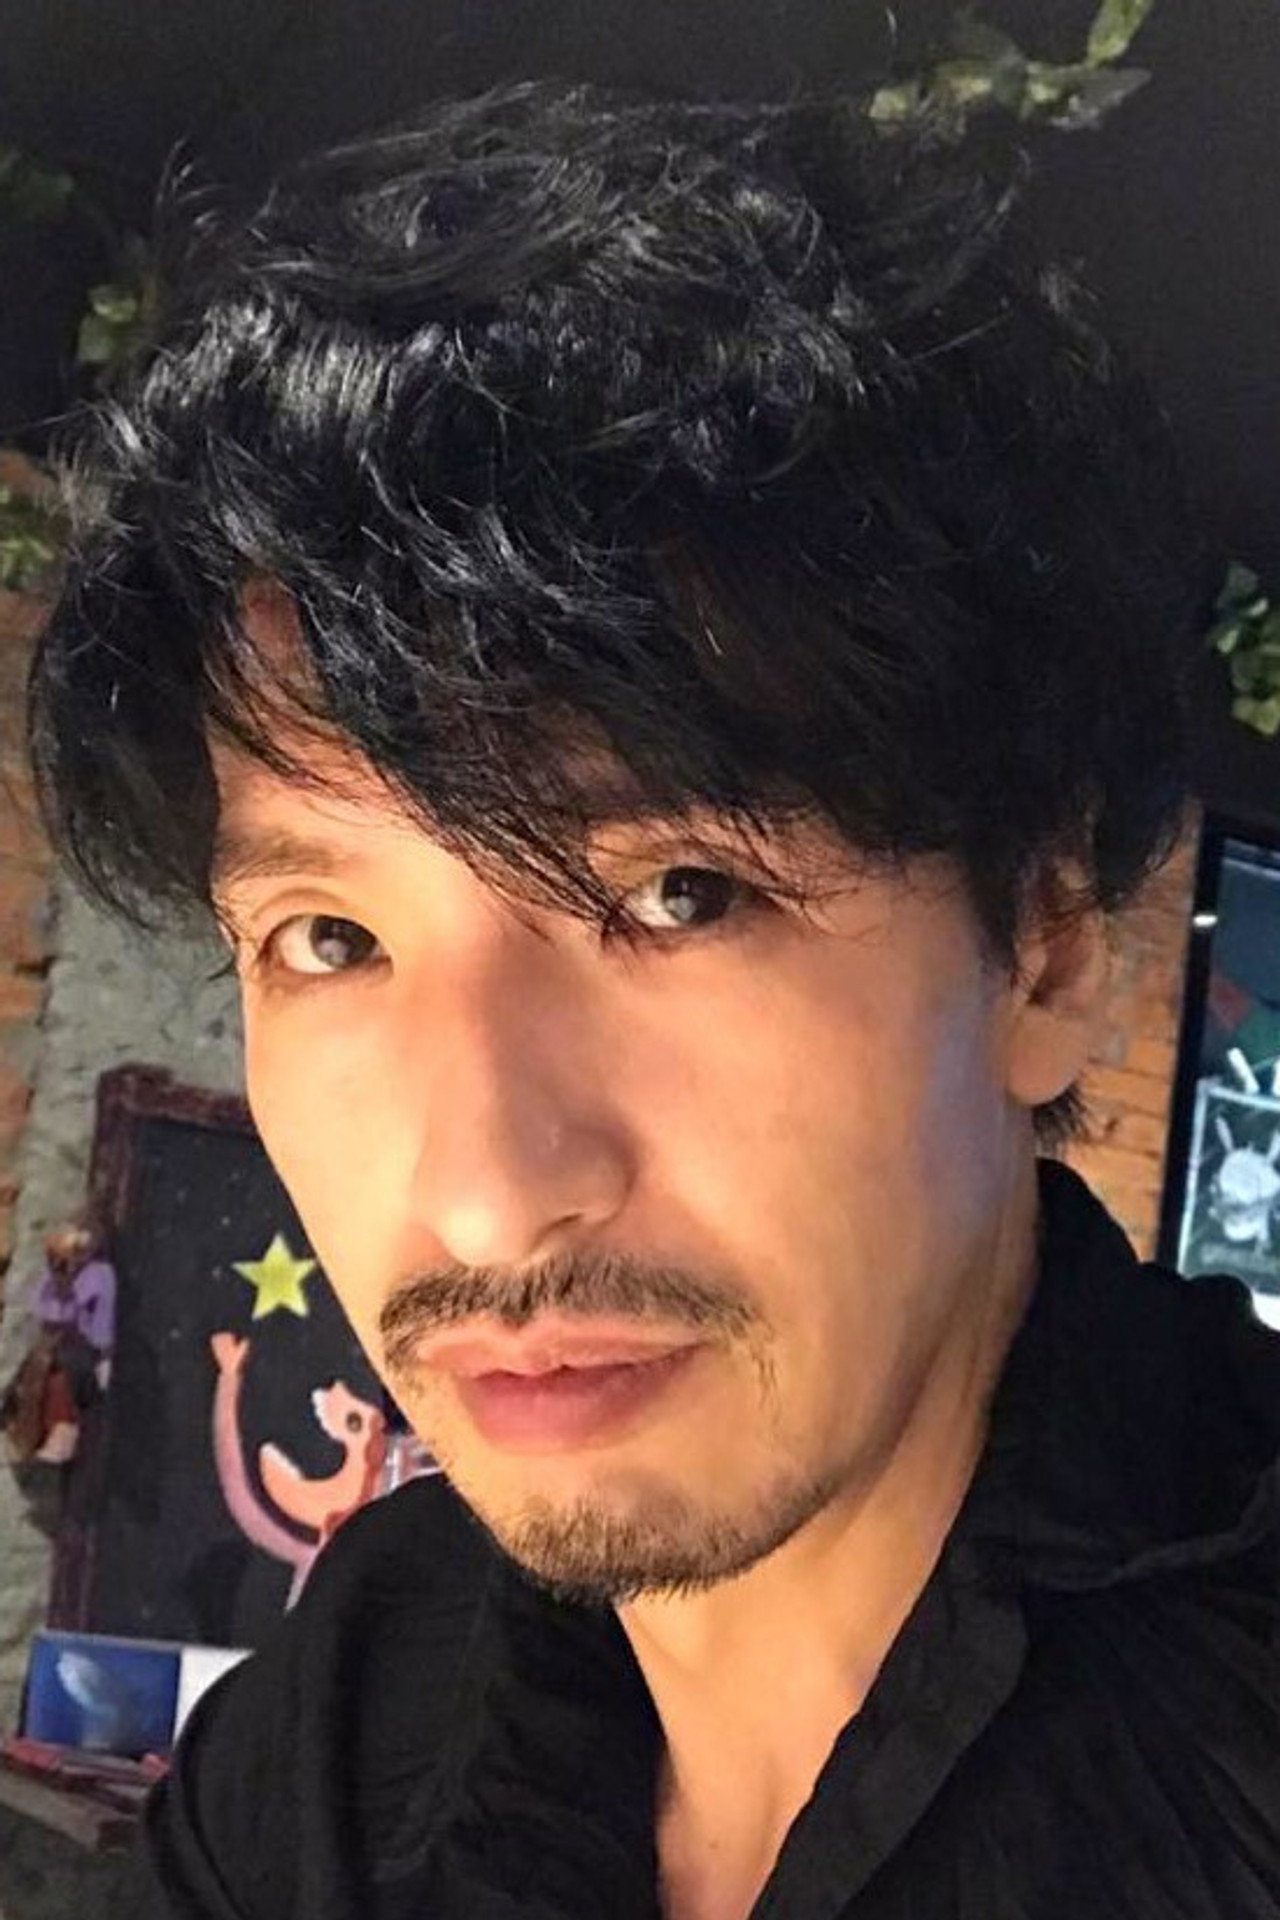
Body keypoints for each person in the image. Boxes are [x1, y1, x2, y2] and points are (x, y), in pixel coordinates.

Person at [28, 82, 1280, 1920]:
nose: (483, 1198)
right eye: (329, 939)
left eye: (678, 896)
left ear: (1047, 942)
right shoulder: (355, 1704)